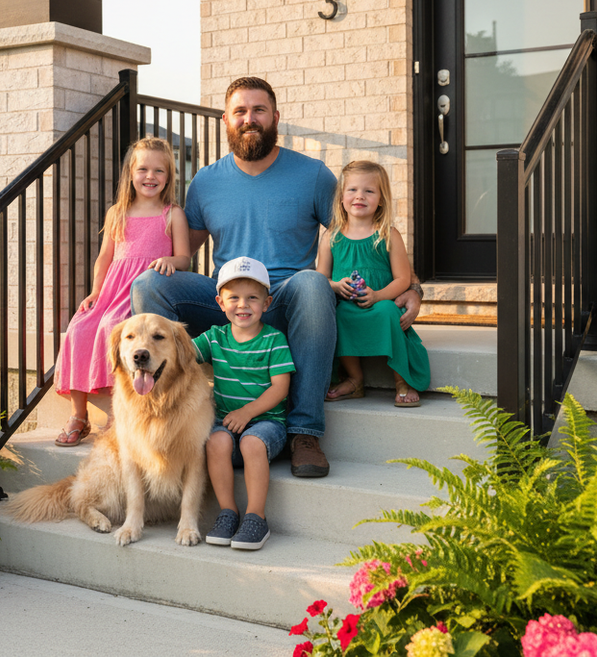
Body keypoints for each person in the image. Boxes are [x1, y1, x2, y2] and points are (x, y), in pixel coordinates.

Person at [132, 76, 425, 478]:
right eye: (240, 111)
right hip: (226, 301)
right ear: (225, 120)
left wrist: (411, 286)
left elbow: (362, 230)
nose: (249, 119)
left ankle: (304, 431)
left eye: (258, 110)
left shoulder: (314, 176)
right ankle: (164, 413)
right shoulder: (206, 181)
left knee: (312, 281)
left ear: (275, 117)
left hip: (287, 301)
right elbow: (182, 251)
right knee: (149, 284)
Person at [53, 137, 190, 446]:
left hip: (140, 294)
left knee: (110, 329)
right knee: (79, 328)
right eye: (143, 169)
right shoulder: (118, 212)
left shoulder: (172, 215)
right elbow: (104, 257)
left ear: (169, 176)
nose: (150, 177)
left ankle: (120, 411)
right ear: (131, 173)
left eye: (159, 170)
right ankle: (79, 414)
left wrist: (170, 260)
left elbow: (184, 258)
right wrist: (94, 292)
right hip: (111, 288)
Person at [196, 256, 292, 551]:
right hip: (226, 424)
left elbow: (280, 389)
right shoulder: (215, 337)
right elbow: (181, 352)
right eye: (234, 298)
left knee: (251, 442)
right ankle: (228, 512)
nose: (243, 305)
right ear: (220, 302)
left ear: (267, 302)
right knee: (214, 441)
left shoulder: (274, 340)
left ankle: (256, 517)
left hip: (267, 426)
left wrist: (247, 412)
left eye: (252, 298)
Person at [317, 160, 430, 406]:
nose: (360, 196)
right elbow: (321, 278)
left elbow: (402, 279)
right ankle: (355, 379)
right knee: (339, 315)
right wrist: (336, 286)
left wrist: (379, 296)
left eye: (369, 191)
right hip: (348, 304)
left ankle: (402, 379)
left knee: (389, 312)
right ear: (341, 198)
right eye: (353, 190)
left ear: (381, 199)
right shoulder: (331, 237)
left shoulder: (388, 234)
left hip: (383, 301)